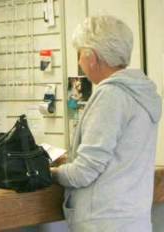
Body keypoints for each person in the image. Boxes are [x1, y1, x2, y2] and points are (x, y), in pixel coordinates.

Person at [51, 15, 162, 231]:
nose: (79, 63)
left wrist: (49, 173)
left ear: (90, 56)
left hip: (103, 222)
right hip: (132, 220)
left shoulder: (110, 95)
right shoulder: (141, 92)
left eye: (79, 54)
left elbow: (84, 172)